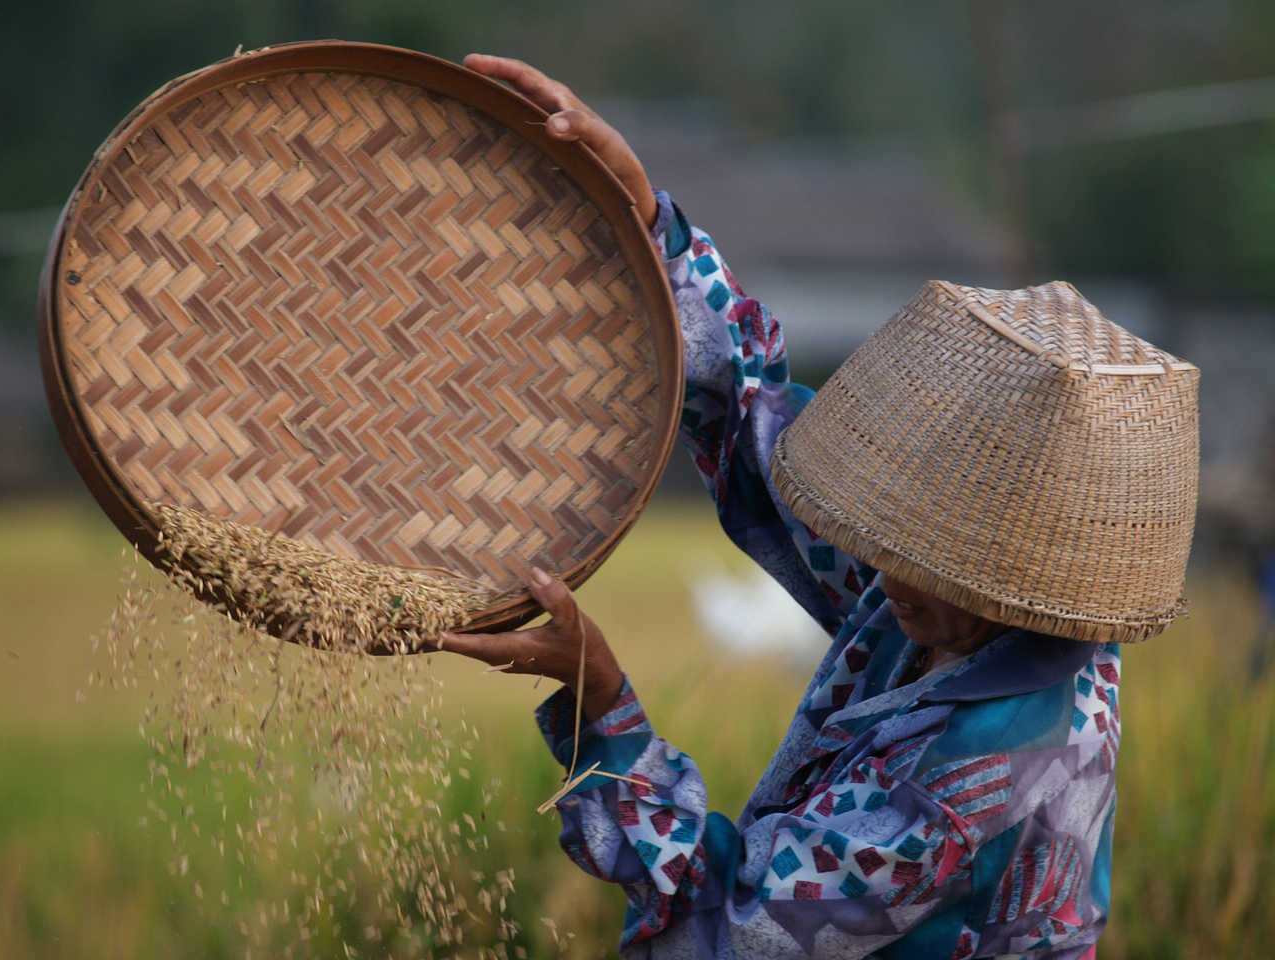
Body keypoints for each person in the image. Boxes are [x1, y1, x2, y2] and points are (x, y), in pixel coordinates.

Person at [439, 55, 1201, 959]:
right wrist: (647, 221)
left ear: (1028, 580)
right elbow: (759, 436)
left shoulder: (980, 773)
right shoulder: (949, 602)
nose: (886, 571)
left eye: (932, 559)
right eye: (888, 532)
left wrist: (598, 700)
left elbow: (733, 923)